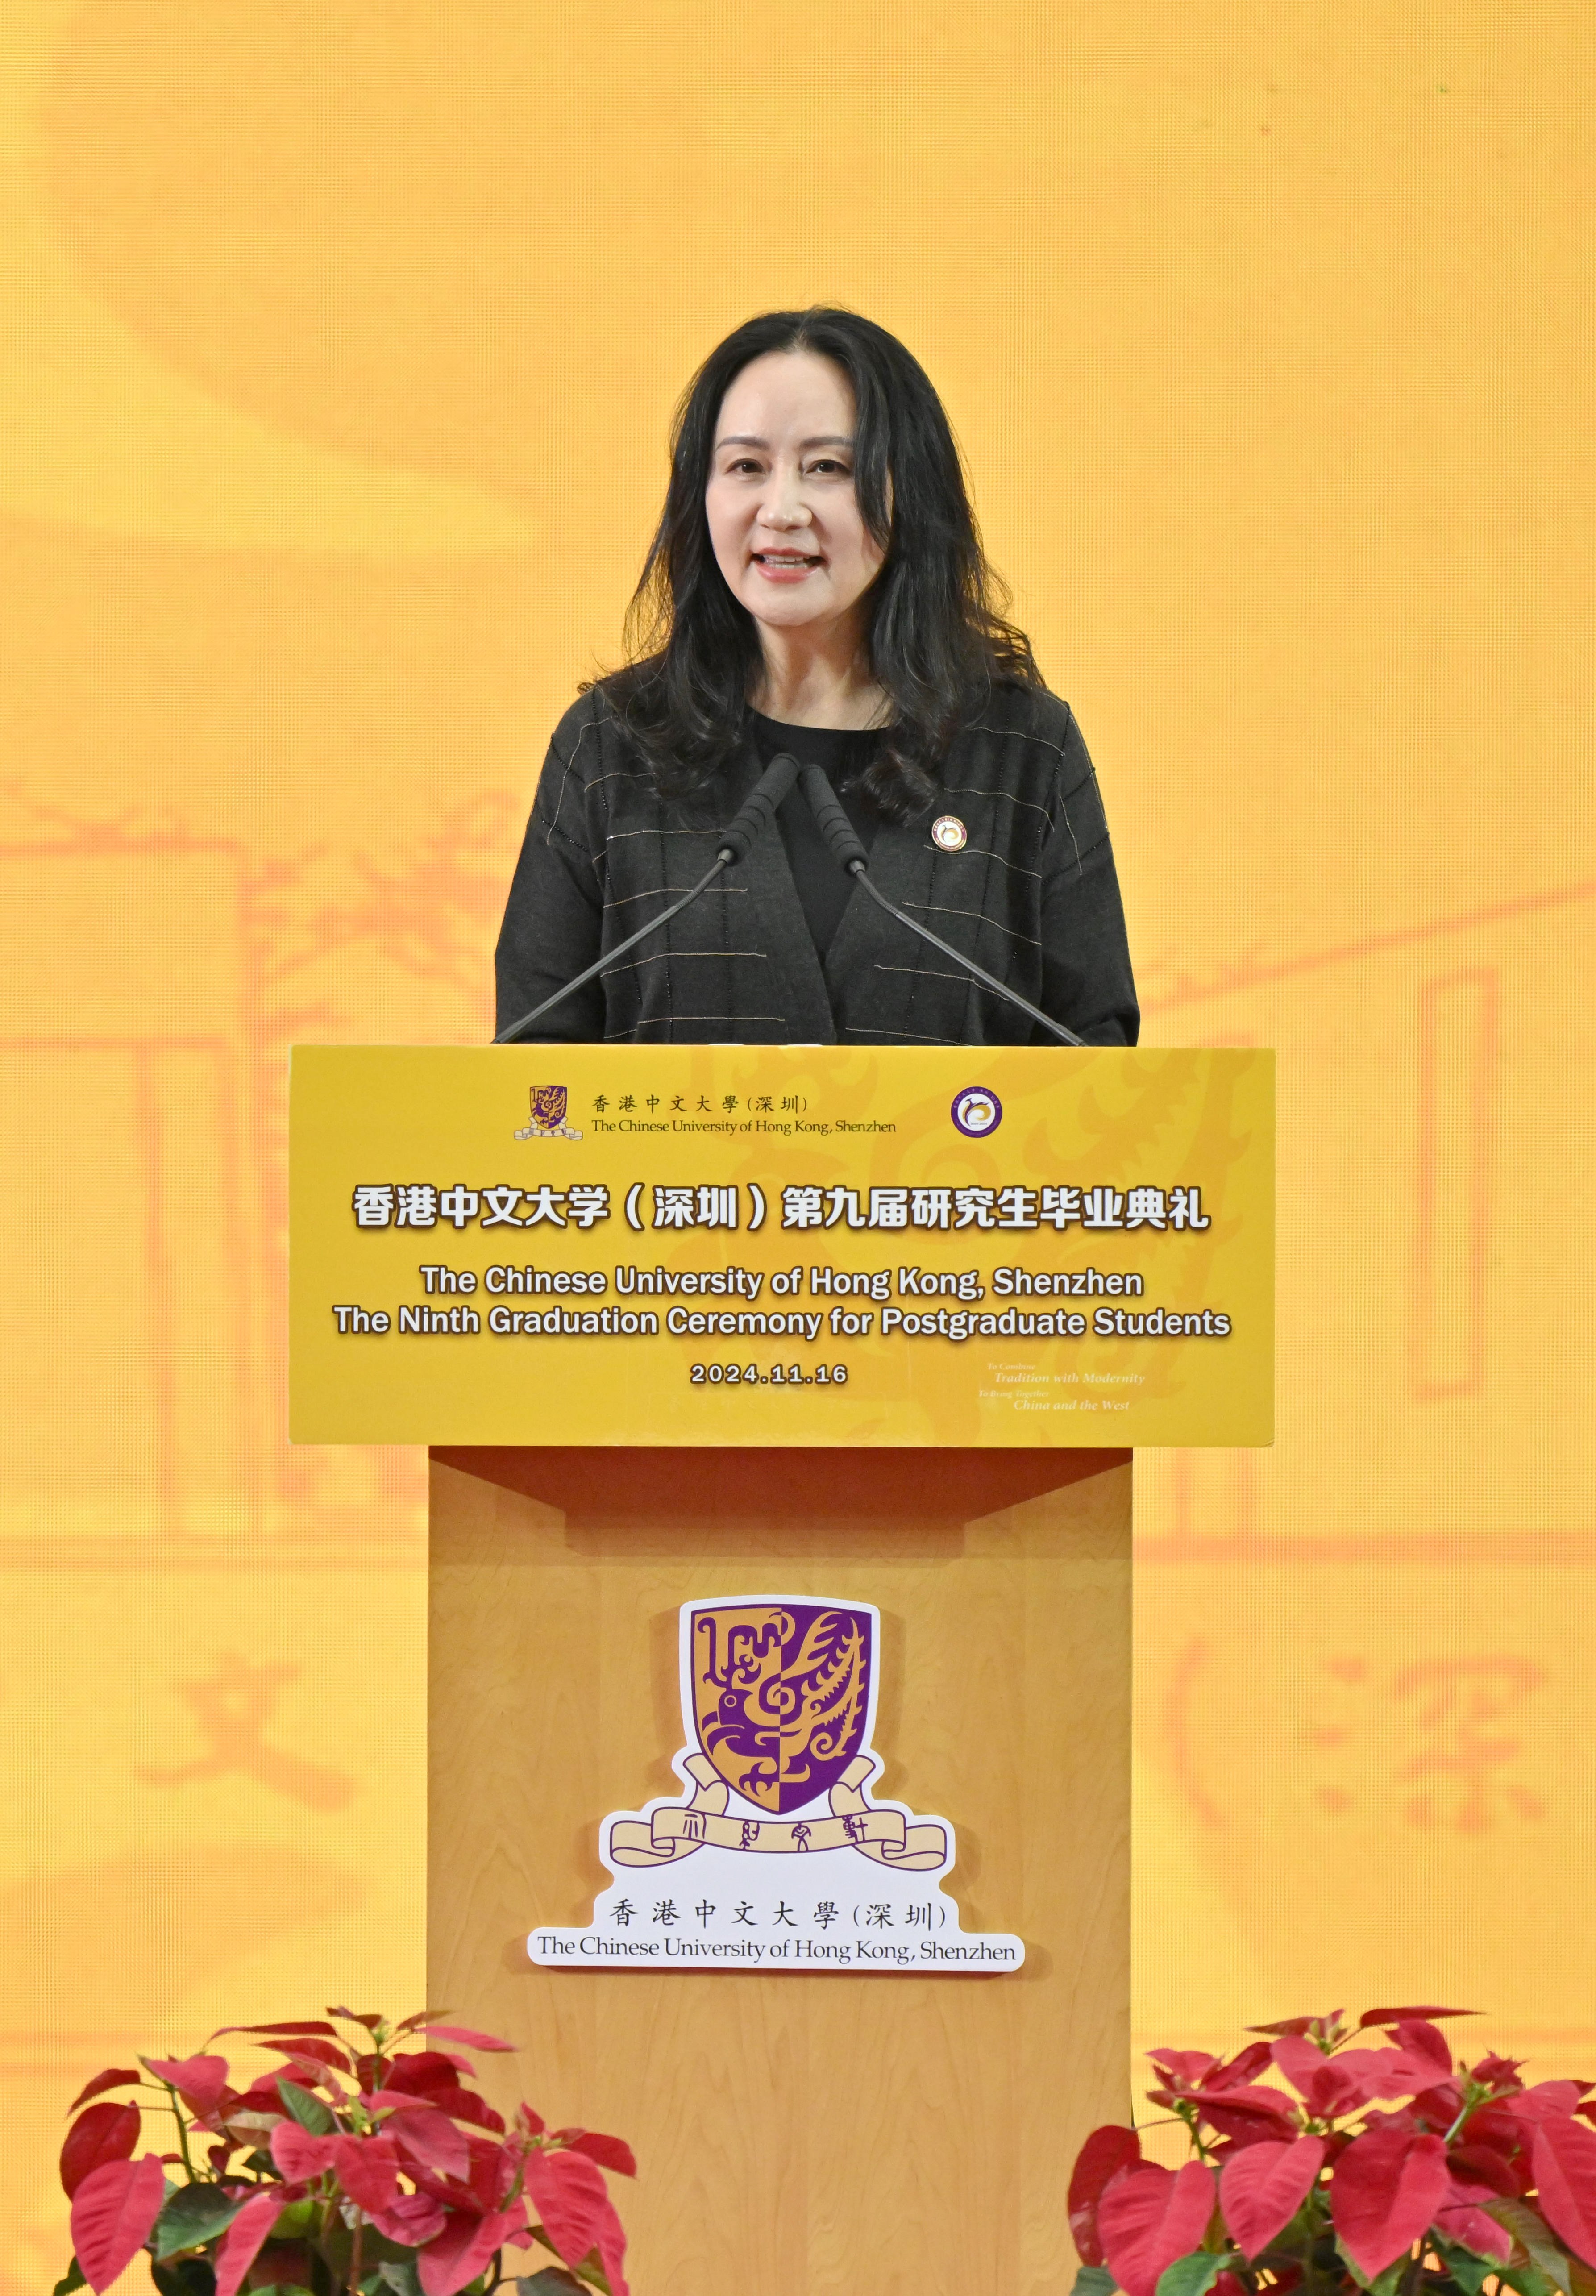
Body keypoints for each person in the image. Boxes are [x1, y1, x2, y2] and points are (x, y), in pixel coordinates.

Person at [495, 307, 1138, 1047]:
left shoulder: (1024, 749)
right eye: (746, 467)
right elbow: (534, 1063)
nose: (781, 511)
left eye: (827, 468)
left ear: (908, 492)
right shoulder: (612, 746)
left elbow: (1098, 1053)